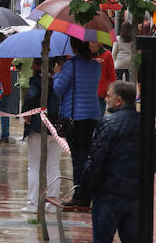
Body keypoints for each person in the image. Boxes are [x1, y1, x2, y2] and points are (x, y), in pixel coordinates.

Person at [82, 81, 156, 242]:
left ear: (119, 101)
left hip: (108, 195)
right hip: (136, 195)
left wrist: (87, 190)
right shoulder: (147, 125)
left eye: (109, 96)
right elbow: (154, 163)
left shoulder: (108, 123)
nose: (105, 99)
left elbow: (95, 162)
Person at [52, 37, 102, 207]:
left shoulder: (70, 66)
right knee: (90, 157)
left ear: (74, 46)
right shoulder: (96, 66)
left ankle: (80, 196)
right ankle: (89, 193)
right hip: (93, 116)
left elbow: (59, 89)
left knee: (78, 159)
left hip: (75, 118)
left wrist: (57, 74)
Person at [21, 58, 62, 214]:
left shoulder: (37, 81)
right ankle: (52, 204)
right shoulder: (60, 79)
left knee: (34, 165)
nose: (31, 67)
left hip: (39, 126)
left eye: (34, 64)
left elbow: (31, 96)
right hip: (58, 128)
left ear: (40, 66)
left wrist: (26, 112)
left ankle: (32, 204)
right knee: (53, 166)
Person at [90, 40, 117, 116]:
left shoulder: (107, 54)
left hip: (100, 94)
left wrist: (111, 92)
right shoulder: (84, 55)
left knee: (99, 119)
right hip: (86, 93)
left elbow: (111, 75)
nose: (92, 40)